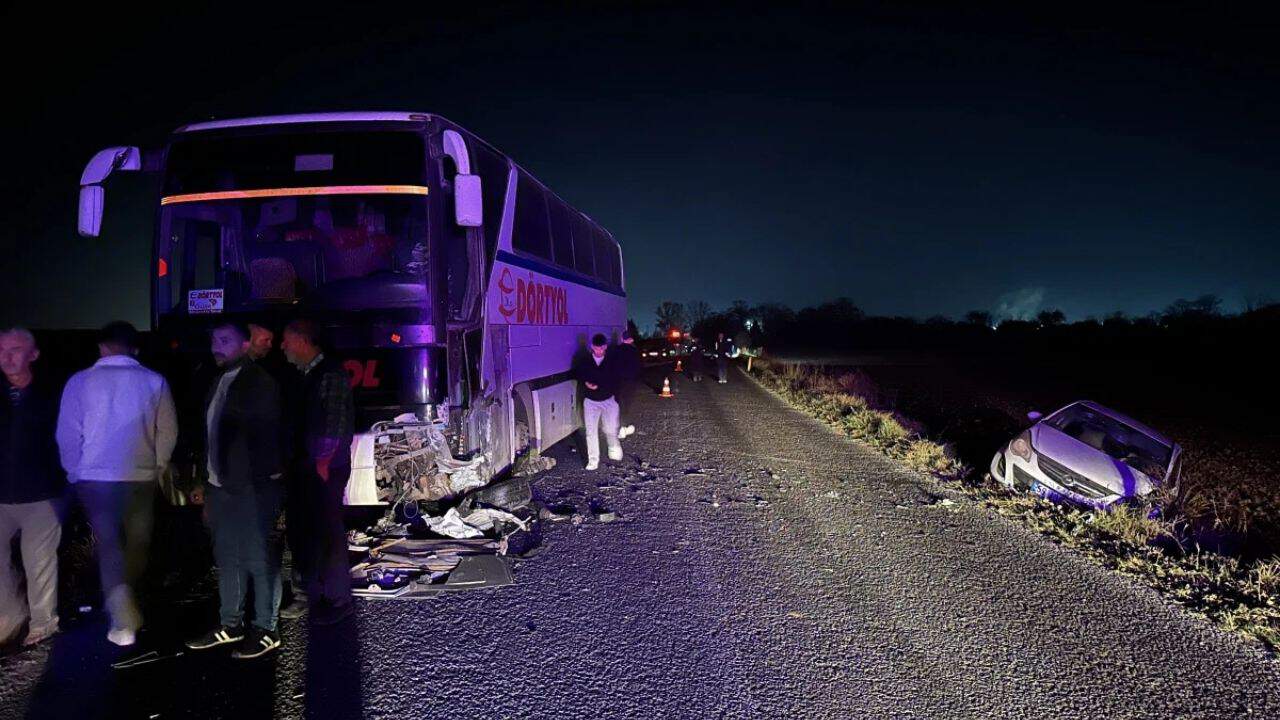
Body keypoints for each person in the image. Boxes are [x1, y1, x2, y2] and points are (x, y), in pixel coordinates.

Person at [56, 321, 178, 647]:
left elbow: (68, 433)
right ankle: (125, 598)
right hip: (140, 476)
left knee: (110, 542)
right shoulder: (154, 381)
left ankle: (122, 612)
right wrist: (159, 464)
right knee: (138, 540)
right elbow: (167, 430)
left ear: (102, 347)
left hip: (95, 478)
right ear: (134, 348)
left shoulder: (80, 381)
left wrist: (73, 471)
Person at [185, 321, 286, 659]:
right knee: (227, 557)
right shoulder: (218, 380)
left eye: (225, 340)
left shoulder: (258, 382)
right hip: (221, 487)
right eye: (214, 339)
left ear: (245, 345)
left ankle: (266, 628)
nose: (217, 346)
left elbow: (268, 438)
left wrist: (261, 483)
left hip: (251, 488)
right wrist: (205, 480)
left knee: (258, 557)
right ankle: (231, 624)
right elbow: (210, 434)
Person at [279, 320, 355, 625]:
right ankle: (312, 593)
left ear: (302, 341)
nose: (282, 347)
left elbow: (333, 426)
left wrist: (321, 464)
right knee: (307, 529)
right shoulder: (307, 375)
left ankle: (337, 598)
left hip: (323, 468)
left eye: (286, 340)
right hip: (307, 466)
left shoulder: (330, 374)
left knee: (327, 532)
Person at [0, 328, 64, 647]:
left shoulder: (52, 394)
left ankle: (43, 622)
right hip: (2, 494)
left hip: (42, 494)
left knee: (38, 560)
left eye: (15, 349)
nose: (7, 356)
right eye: (2, 349)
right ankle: (8, 615)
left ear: (33, 355)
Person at [574, 334, 622, 470]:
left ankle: (613, 445)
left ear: (605, 347)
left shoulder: (611, 361)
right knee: (590, 431)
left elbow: (616, 379)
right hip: (590, 401)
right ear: (592, 347)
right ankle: (593, 460)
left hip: (608, 399)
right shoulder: (586, 360)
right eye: (596, 348)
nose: (598, 351)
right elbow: (580, 374)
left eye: (601, 348)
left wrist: (600, 386)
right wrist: (586, 383)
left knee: (610, 428)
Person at [614, 330, 642, 440]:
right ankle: (623, 426)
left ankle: (618, 426)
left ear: (622, 338)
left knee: (618, 404)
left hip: (618, 382)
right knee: (627, 404)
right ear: (631, 339)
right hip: (630, 382)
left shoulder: (616, 350)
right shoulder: (634, 351)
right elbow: (639, 367)